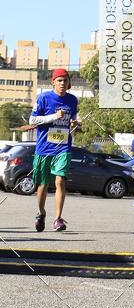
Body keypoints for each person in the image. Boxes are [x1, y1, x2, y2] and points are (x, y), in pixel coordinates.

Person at [30, 68, 80, 233]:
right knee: (42, 185)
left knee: (60, 181)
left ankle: (58, 219)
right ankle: (41, 213)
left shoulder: (72, 100)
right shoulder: (43, 98)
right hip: (44, 148)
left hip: (63, 147)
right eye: (59, 80)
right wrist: (54, 116)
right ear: (53, 82)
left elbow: (73, 118)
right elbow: (32, 119)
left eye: (65, 80)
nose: (62, 83)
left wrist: (74, 123)